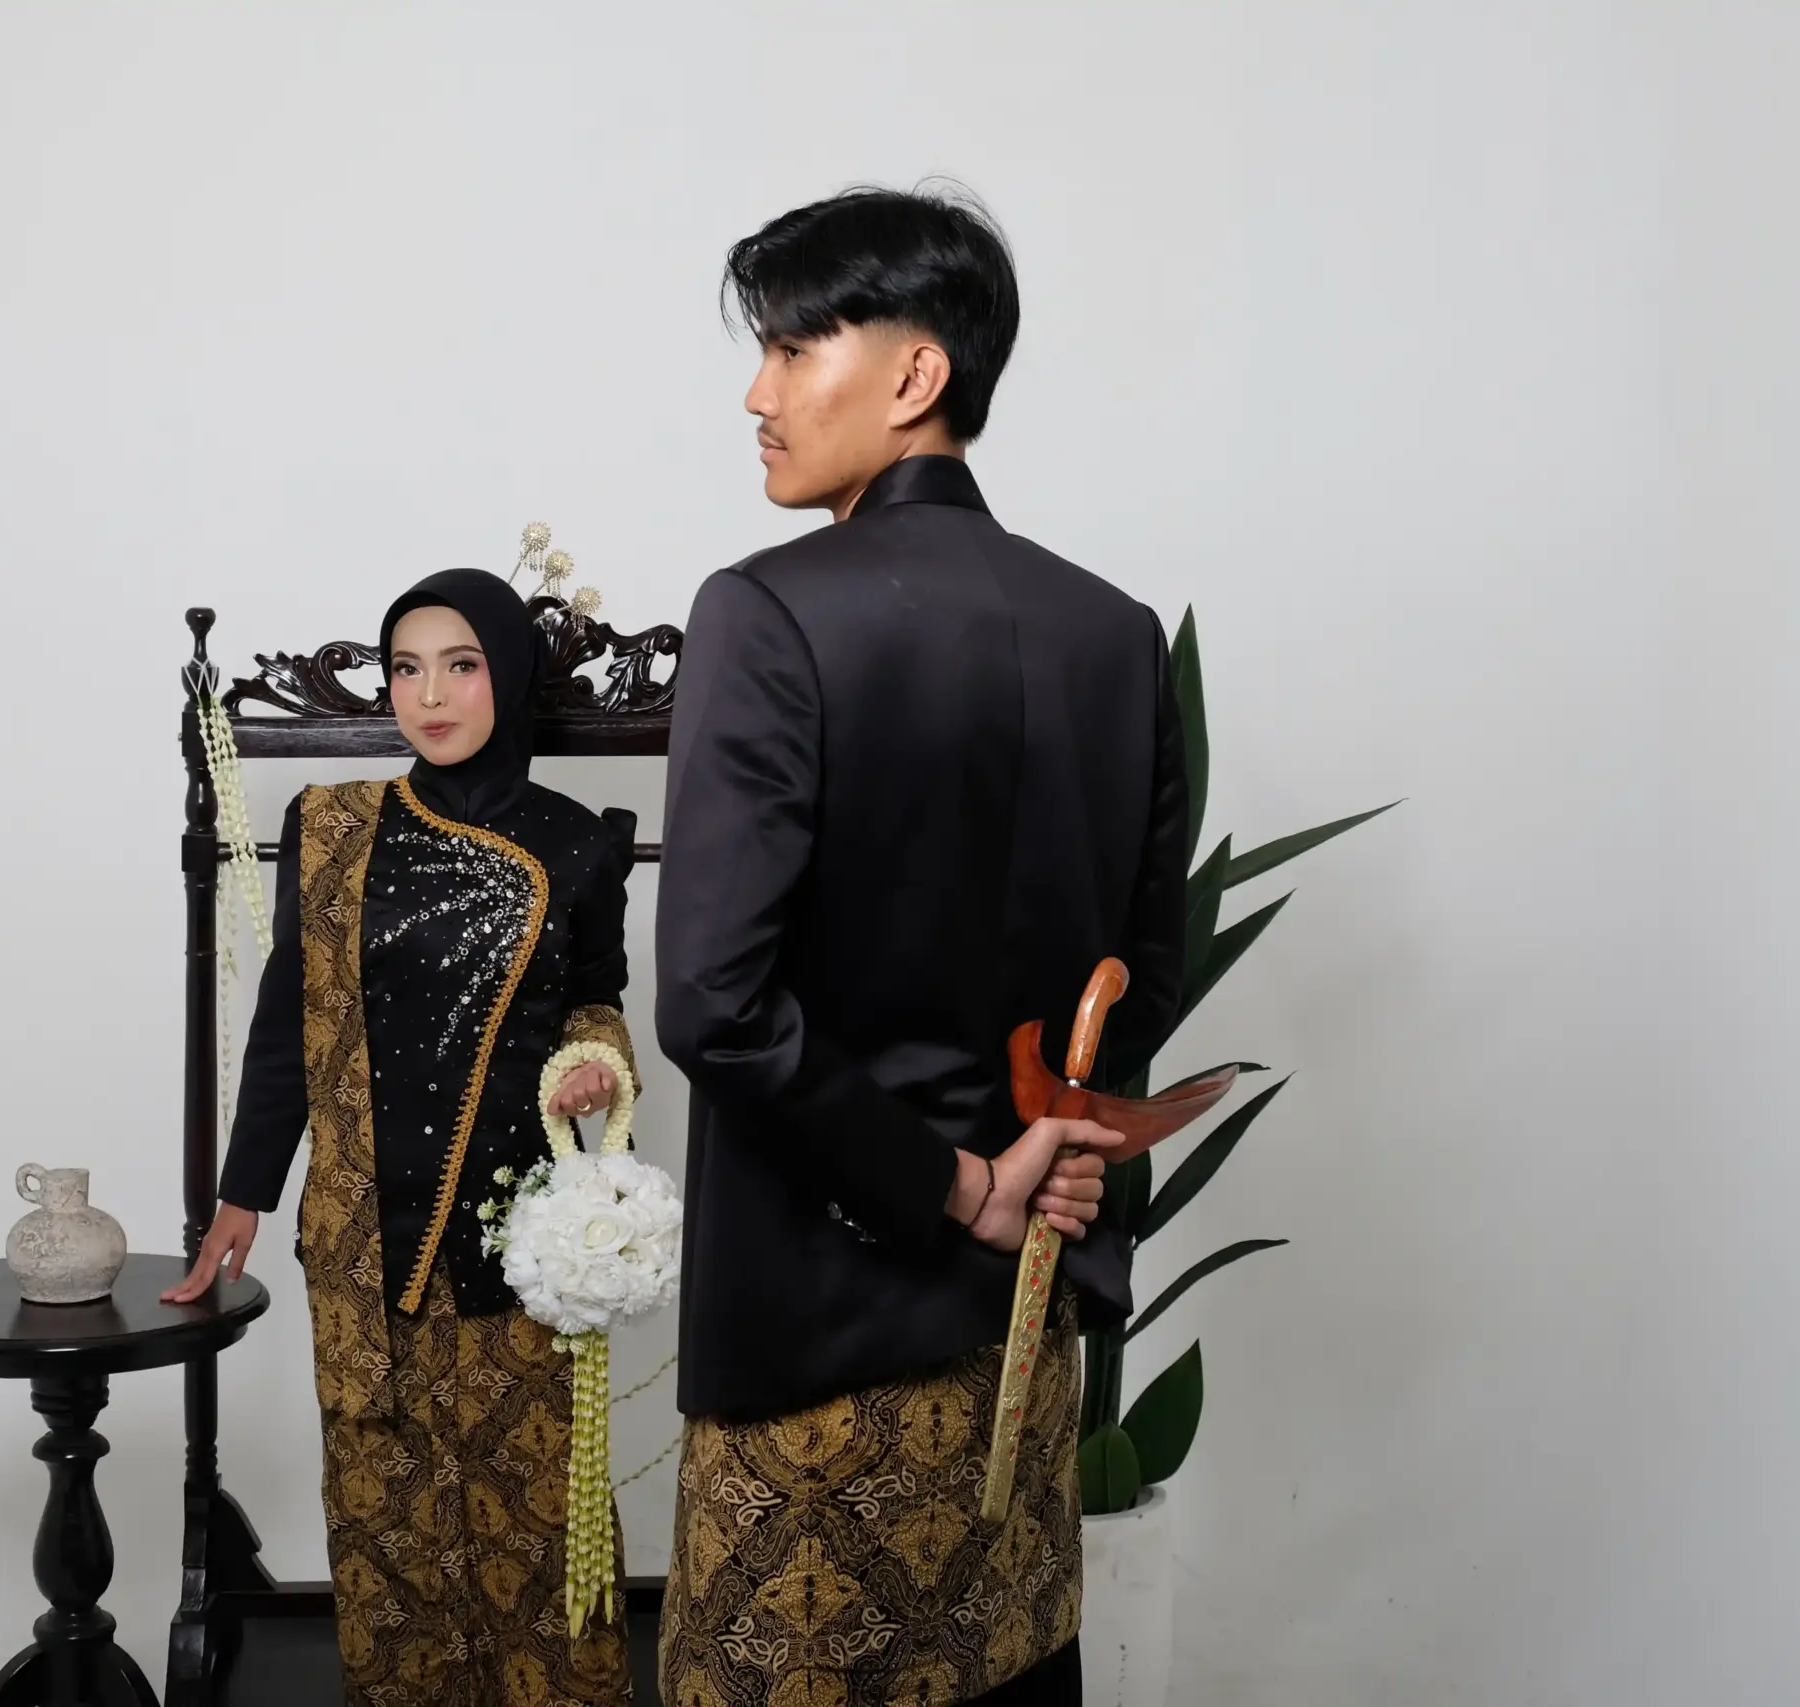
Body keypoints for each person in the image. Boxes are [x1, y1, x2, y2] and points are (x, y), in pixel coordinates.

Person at [653, 185, 1190, 1707]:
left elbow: (712, 999)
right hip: (1021, 1335)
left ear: (914, 374)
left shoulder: (766, 614)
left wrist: (954, 1182)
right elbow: (1139, 977)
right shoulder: (1114, 634)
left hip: (819, 1338)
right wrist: (1034, 1161)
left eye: (791, 347)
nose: (758, 394)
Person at [165, 570, 639, 1707]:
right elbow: (289, 1018)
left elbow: (598, 1000)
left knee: (538, 1520)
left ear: (507, 676)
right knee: (387, 1527)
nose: (428, 695)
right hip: (363, 1238)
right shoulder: (332, 827)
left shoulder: (576, 844)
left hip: (522, 1239)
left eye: (461, 666)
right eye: (406, 668)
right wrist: (243, 1193)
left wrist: (596, 1060)